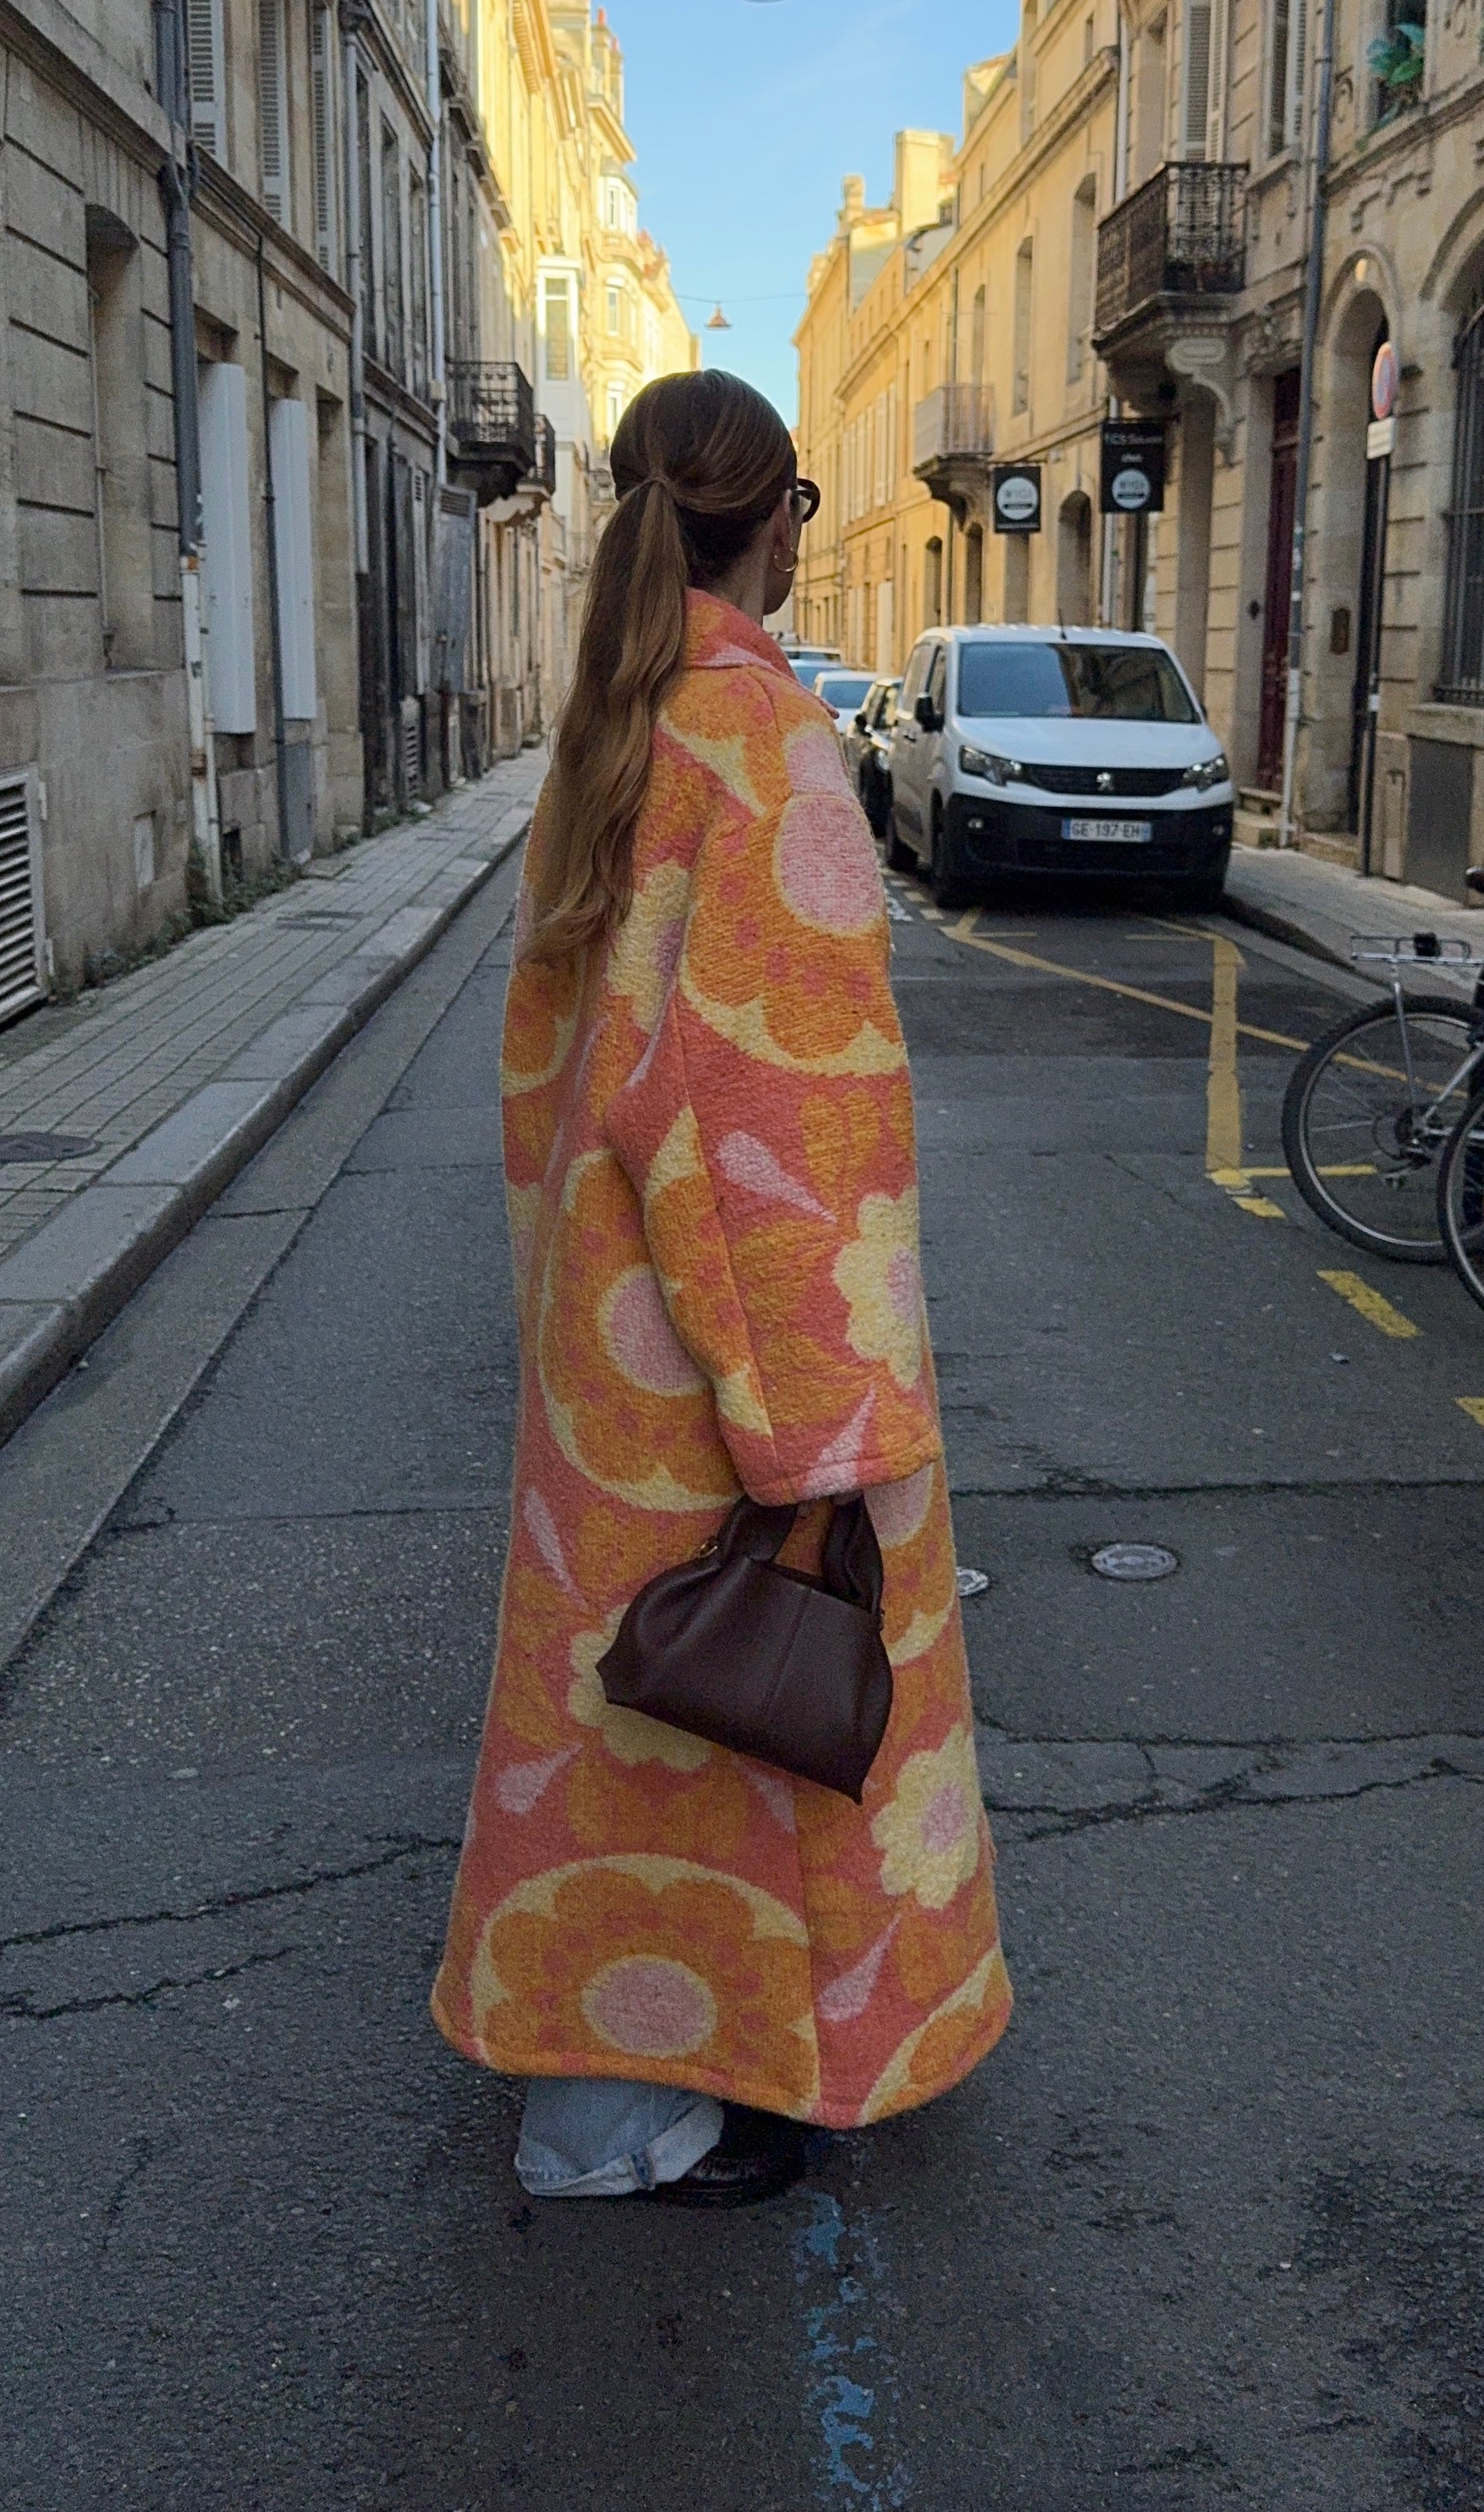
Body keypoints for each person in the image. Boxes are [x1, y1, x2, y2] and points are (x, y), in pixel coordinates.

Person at [430, 369, 1010, 2204]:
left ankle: (611, 2076)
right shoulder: (760, 740)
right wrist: (824, 1425)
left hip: (613, 1333)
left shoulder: (619, 721)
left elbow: (562, 1063)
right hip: (731, 1338)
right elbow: (786, 1107)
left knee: (631, 1727)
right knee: (769, 1718)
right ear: (779, 522)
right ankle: (649, 2106)